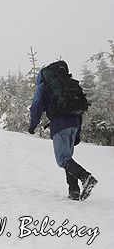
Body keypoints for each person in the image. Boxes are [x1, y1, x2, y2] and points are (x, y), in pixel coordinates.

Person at [28, 60, 97, 201]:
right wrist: (77, 132)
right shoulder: (69, 83)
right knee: (68, 158)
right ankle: (74, 191)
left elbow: (36, 106)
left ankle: (86, 177)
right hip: (74, 123)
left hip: (60, 124)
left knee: (62, 159)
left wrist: (33, 125)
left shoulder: (45, 85)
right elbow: (78, 109)